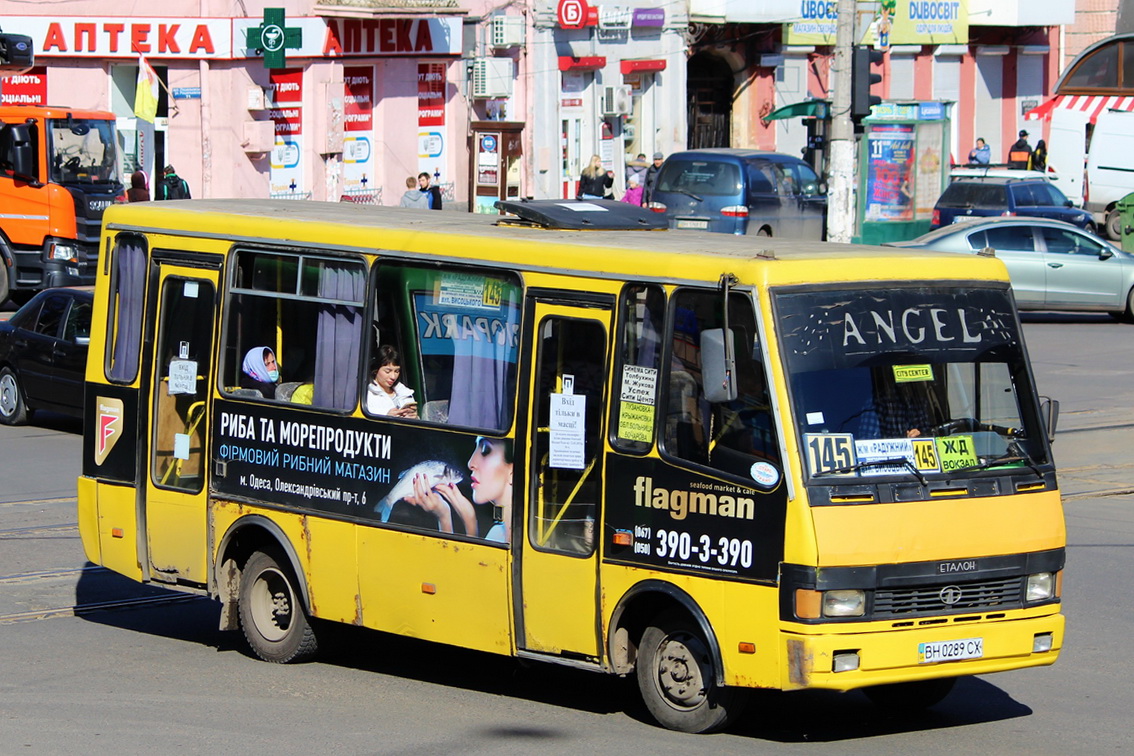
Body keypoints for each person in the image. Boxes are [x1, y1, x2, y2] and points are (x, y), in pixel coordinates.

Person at [400, 437, 514, 542]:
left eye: (485, 450)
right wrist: (449, 517)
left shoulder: (502, 535)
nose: (470, 463)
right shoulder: (496, 533)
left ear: (512, 472)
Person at [366, 345, 417, 418]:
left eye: (396, 371)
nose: (393, 377)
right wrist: (386, 416)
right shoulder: (367, 396)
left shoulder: (405, 393)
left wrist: (415, 417)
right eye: (387, 371)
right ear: (375, 370)